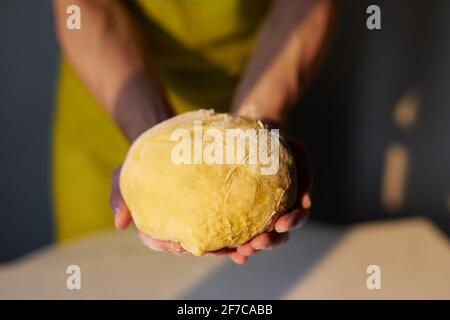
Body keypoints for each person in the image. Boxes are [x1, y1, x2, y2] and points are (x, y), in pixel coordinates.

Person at [52, 0, 335, 264]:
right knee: (106, 279)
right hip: (117, 97)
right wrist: (150, 140)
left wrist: (260, 114)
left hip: (264, 81)